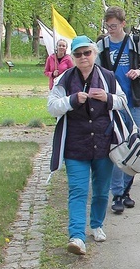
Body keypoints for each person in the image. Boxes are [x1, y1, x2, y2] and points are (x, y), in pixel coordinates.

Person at [48, 35, 127, 255]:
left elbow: (123, 101)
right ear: (72, 57)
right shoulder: (64, 79)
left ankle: (96, 224)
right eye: (78, 54)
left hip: (104, 143)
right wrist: (72, 100)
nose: (83, 57)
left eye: (87, 53)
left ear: (94, 54)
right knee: (78, 191)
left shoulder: (108, 77)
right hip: (76, 145)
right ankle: (76, 237)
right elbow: (52, 106)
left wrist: (107, 98)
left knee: (102, 191)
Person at [95, 6, 140, 214]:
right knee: (117, 146)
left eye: (114, 26)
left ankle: (127, 190)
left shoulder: (136, 43)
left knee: (133, 144)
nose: (110, 29)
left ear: (123, 24)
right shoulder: (102, 45)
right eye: (108, 26)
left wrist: (138, 72)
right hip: (112, 102)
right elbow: (96, 71)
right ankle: (117, 193)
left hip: (135, 101)